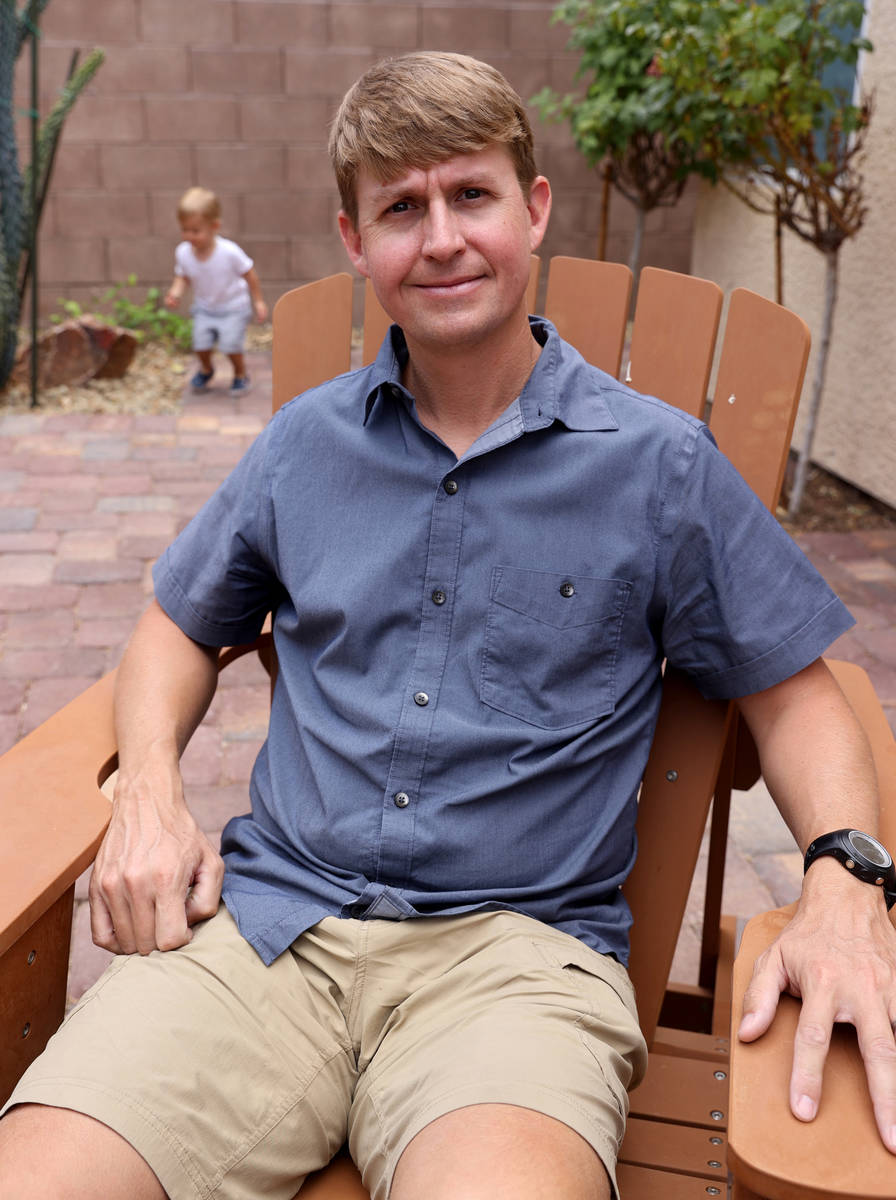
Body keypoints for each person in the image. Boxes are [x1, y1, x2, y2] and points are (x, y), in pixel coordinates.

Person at [2, 49, 896, 1200]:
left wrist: (841, 879)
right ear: (352, 240)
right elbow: (178, 626)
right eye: (399, 208)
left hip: (514, 971)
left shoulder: (658, 465)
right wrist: (152, 794)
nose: (438, 239)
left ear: (531, 210)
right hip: (266, 931)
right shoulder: (301, 449)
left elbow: (796, 690)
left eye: (469, 195)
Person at [164, 186, 268, 395]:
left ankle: (240, 374)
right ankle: (206, 369)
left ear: (214, 226)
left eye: (195, 231)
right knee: (200, 344)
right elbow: (182, 276)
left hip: (233, 307)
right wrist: (175, 293)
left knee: (230, 345)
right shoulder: (183, 252)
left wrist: (258, 301)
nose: (189, 236)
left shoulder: (229, 252)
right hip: (205, 308)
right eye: (184, 230)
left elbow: (249, 273)